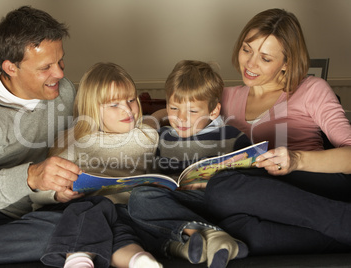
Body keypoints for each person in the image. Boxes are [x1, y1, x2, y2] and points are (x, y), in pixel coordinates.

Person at [204, 8, 351, 256]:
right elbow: (180, 114)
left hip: (312, 184)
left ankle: (343, 221)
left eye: (265, 58)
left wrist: (296, 159)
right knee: (242, 232)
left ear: (287, 62)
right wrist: (158, 116)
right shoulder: (224, 97)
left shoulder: (311, 89)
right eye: (246, 49)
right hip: (258, 194)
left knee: (220, 188)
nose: (250, 64)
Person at [0, 6, 84, 266]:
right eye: (46, 67)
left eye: (60, 61)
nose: (60, 74)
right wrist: (31, 176)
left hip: (21, 217)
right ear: (11, 67)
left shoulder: (64, 92)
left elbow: (88, 136)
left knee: (80, 224)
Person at [38, 62, 162, 268]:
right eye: (114, 105)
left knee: (109, 220)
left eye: (131, 100)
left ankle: (81, 257)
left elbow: (153, 170)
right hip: (94, 213)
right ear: (92, 110)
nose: (128, 109)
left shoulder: (144, 137)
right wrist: (57, 194)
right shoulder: (76, 142)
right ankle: (137, 260)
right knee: (103, 221)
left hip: (128, 209)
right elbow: (42, 184)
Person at [128, 60, 250, 268]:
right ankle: (204, 240)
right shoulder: (163, 137)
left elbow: (250, 181)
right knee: (136, 200)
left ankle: (194, 237)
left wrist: (214, 181)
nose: (181, 118)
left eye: (192, 112)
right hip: (174, 202)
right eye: (173, 108)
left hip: (213, 201)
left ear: (213, 112)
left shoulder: (232, 137)